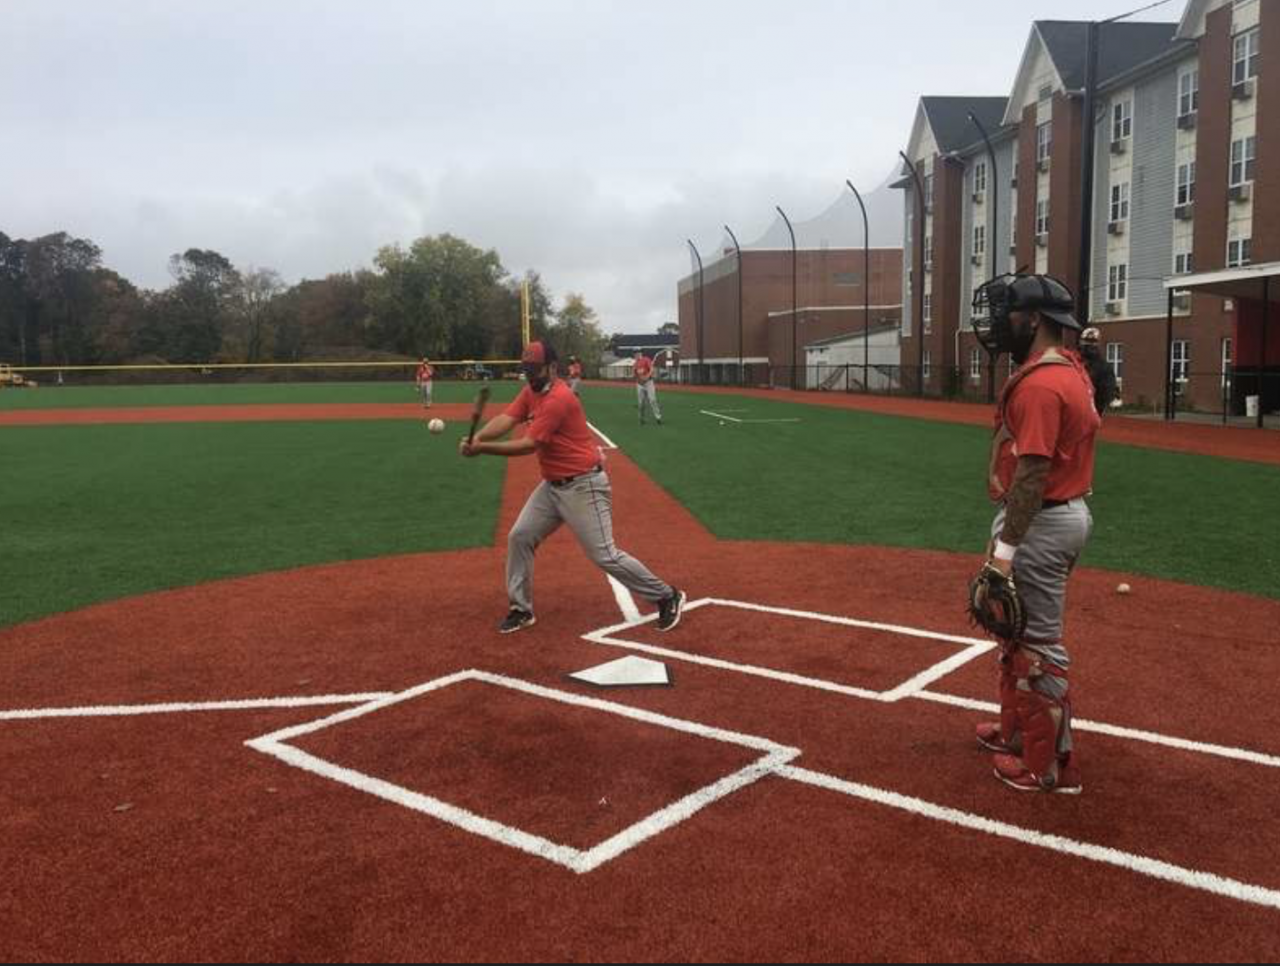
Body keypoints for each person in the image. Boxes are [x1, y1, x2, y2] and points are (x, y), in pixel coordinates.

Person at [969, 274, 1101, 794]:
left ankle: (1044, 766)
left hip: (1043, 519)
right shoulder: (1064, 368)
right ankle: (1015, 732)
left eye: (1010, 311)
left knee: (1039, 644)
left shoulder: (1045, 385)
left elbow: (1031, 475)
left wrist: (1004, 553)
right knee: (1012, 631)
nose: (1000, 321)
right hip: (1052, 514)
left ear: (1037, 320)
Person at [459, 340, 685, 634]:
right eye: (526, 369)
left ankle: (667, 595)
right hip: (553, 486)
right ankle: (521, 608)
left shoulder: (559, 399)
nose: (529, 375)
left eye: (534, 369)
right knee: (520, 537)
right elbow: (507, 418)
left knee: (604, 554)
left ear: (552, 368)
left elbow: (531, 444)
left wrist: (482, 449)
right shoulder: (531, 391)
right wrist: (477, 440)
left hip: (584, 485)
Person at [1076, 327, 1119, 414]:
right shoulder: (1073, 362)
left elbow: (1107, 394)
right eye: (1086, 341)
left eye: (1092, 342)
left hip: (1090, 411)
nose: (1089, 345)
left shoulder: (1104, 367)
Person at [634, 352, 662, 425]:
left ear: (640, 354)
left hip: (649, 383)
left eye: (637, 353)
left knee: (652, 400)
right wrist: (639, 380)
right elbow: (635, 374)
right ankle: (641, 419)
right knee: (641, 403)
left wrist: (647, 376)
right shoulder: (635, 364)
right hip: (640, 384)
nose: (636, 355)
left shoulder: (646, 359)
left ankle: (658, 417)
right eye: (635, 354)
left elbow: (651, 369)